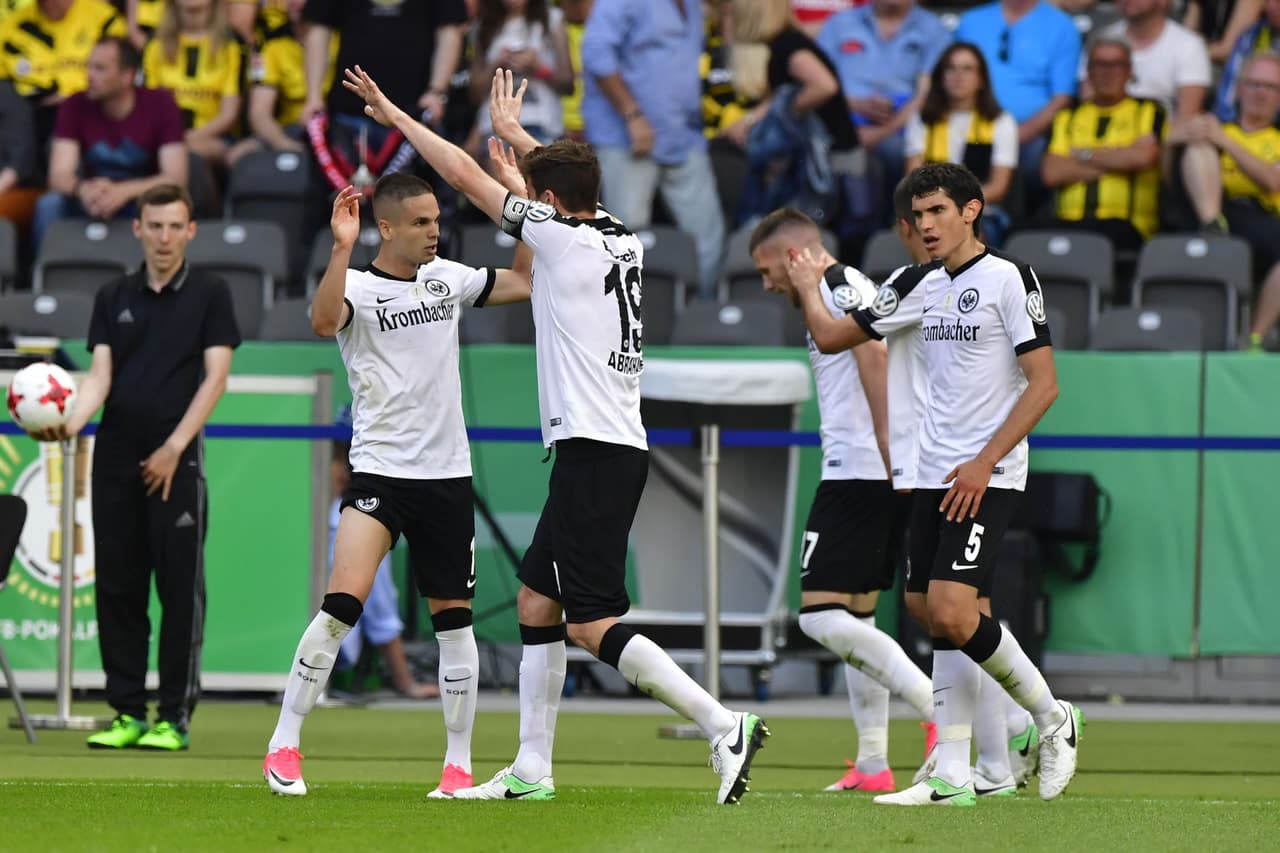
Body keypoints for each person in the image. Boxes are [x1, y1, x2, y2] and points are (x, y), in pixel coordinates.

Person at [343, 64, 771, 804]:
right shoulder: (620, 237)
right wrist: (521, 139)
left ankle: (720, 722)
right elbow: (566, 191)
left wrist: (396, 118)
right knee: (538, 605)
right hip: (605, 446)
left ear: (545, 204)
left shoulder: (562, 240)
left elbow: (463, 172)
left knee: (591, 619)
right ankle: (532, 768)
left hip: (596, 451)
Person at [788, 162, 1082, 806]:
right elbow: (836, 335)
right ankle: (961, 770)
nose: (925, 226)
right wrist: (811, 288)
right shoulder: (915, 284)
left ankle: (1051, 715)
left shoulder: (1008, 278)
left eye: (938, 212)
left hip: (988, 473)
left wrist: (983, 461)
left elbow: (1045, 384)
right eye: (917, 216)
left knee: (950, 610)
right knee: (935, 613)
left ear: (971, 210)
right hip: (930, 473)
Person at [261, 170, 533, 798]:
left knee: (454, 626)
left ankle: (457, 765)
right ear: (385, 228)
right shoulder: (355, 284)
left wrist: (518, 206)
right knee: (340, 608)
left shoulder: (450, 279)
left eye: (437, 220)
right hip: (380, 471)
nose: (434, 231)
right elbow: (323, 322)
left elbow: (522, 280)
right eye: (420, 222)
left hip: (447, 477)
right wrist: (338, 246)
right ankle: (284, 744)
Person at [28, 183, 240, 751]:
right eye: (156, 226)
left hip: (178, 461)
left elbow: (216, 378)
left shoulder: (212, 294)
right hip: (115, 459)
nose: (165, 237)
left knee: (178, 592)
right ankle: (127, 712)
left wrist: (174, 447)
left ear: (190, 231)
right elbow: (99, 378)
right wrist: (69, 424)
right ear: (138, 229)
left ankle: (174, 716)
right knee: (119, 590)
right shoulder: (112, 295)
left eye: (176, 226)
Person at [748, 206, 938, 793]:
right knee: (856, 615)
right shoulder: (841, 285)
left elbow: (875, 359)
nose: (765, 283)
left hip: (860, 470)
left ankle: (939, 712)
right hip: (866, 466)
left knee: (820, 615)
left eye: (766, 269)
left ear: (793, 255)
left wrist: (887, 449)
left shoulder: (836, 287)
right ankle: (874, 763)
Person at [580, 0, 726, 298]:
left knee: (708, 235)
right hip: (627, 137)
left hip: (682, 136)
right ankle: (629, 323)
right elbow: (596, 53)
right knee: (626, 240)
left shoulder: (693, 5)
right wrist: (632, 115)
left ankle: (699, 318)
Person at [36, 36, 188, 249]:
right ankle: (46, 274)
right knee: (49, 205)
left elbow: (175, 178)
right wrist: (83, 191)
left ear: (127, 76)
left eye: (100, 69)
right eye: (88, 66)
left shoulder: (161, 105)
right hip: (92, 197)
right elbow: (58, 175)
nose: (89, 75)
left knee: (166, 207)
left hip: (140, 198)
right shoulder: (74, 105)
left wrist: (123, 192)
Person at [328, 428, 439, 701]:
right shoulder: (339, 520)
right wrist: (407, 685)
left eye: (334, 458)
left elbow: (380, 612)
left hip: (328, 646)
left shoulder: (355, 520)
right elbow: (382, 615)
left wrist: (406, 684)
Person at [1040, 38, 1164, 256]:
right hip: (1067, 222)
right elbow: (1051, 172)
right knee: (1020, 235)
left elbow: (1143, 158)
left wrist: (1080, 155)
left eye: (1116, 65)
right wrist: (1119, 159)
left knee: (1107, 232)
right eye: (1100, 65)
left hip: (1127, 226)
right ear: (1088, 71)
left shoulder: (1149, 111)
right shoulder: (1067, 116)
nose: (1108, 72)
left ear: (1129, 71)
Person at [954, 0, 1080, 210]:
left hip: (1031, 134)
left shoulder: (1062, 26)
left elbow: (1062, 98)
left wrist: (1015, 135)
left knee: (1032, 157)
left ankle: (1010, 231)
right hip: (968, 127)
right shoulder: (971, 21)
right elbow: (951, 76)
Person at [815, 0, 951, 182]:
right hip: (842, 121)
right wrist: (855, 105)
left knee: (903, 151)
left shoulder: (935, 30)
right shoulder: (839, 23)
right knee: (830, 151)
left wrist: (883, 132)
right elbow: (817, 81)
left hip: (903, 128)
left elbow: (930, 93)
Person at [905, 43, 1019, 245]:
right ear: (941, 76)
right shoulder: (922, 119)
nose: (959, 76)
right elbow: (913, 178)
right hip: (927, 210)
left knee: (964, 235)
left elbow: (998, 186)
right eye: (951, 68)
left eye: (967, 69)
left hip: (981, 213)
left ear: (981, 79)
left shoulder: (1001, 122)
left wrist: (955, 206)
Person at [1177, 52, 1280, 263]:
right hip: (1214, 211)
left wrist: (1224, 141)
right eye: (1254, 84)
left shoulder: (1220, 134)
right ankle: (1212, 226)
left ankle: (1214, 235)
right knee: (1197, 148)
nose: (1261, 93)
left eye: (1270, 87)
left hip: (1264, 218)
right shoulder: (1212, 130)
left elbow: (1273, 181)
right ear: (1240, 89)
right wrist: (1181, 135)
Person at [0, 0, 127, 167]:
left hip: (91, 109)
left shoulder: (105, 18)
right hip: (32, 115)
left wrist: (71, 97)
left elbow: (120, 75)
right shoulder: (10, 28)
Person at [141, 0, 245, 168]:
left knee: (186, 154)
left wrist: (181, 140)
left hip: (214, 138)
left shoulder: (231, 43)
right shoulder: (155, 42)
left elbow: (228, 115)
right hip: (163, 136)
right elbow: (149, 105)